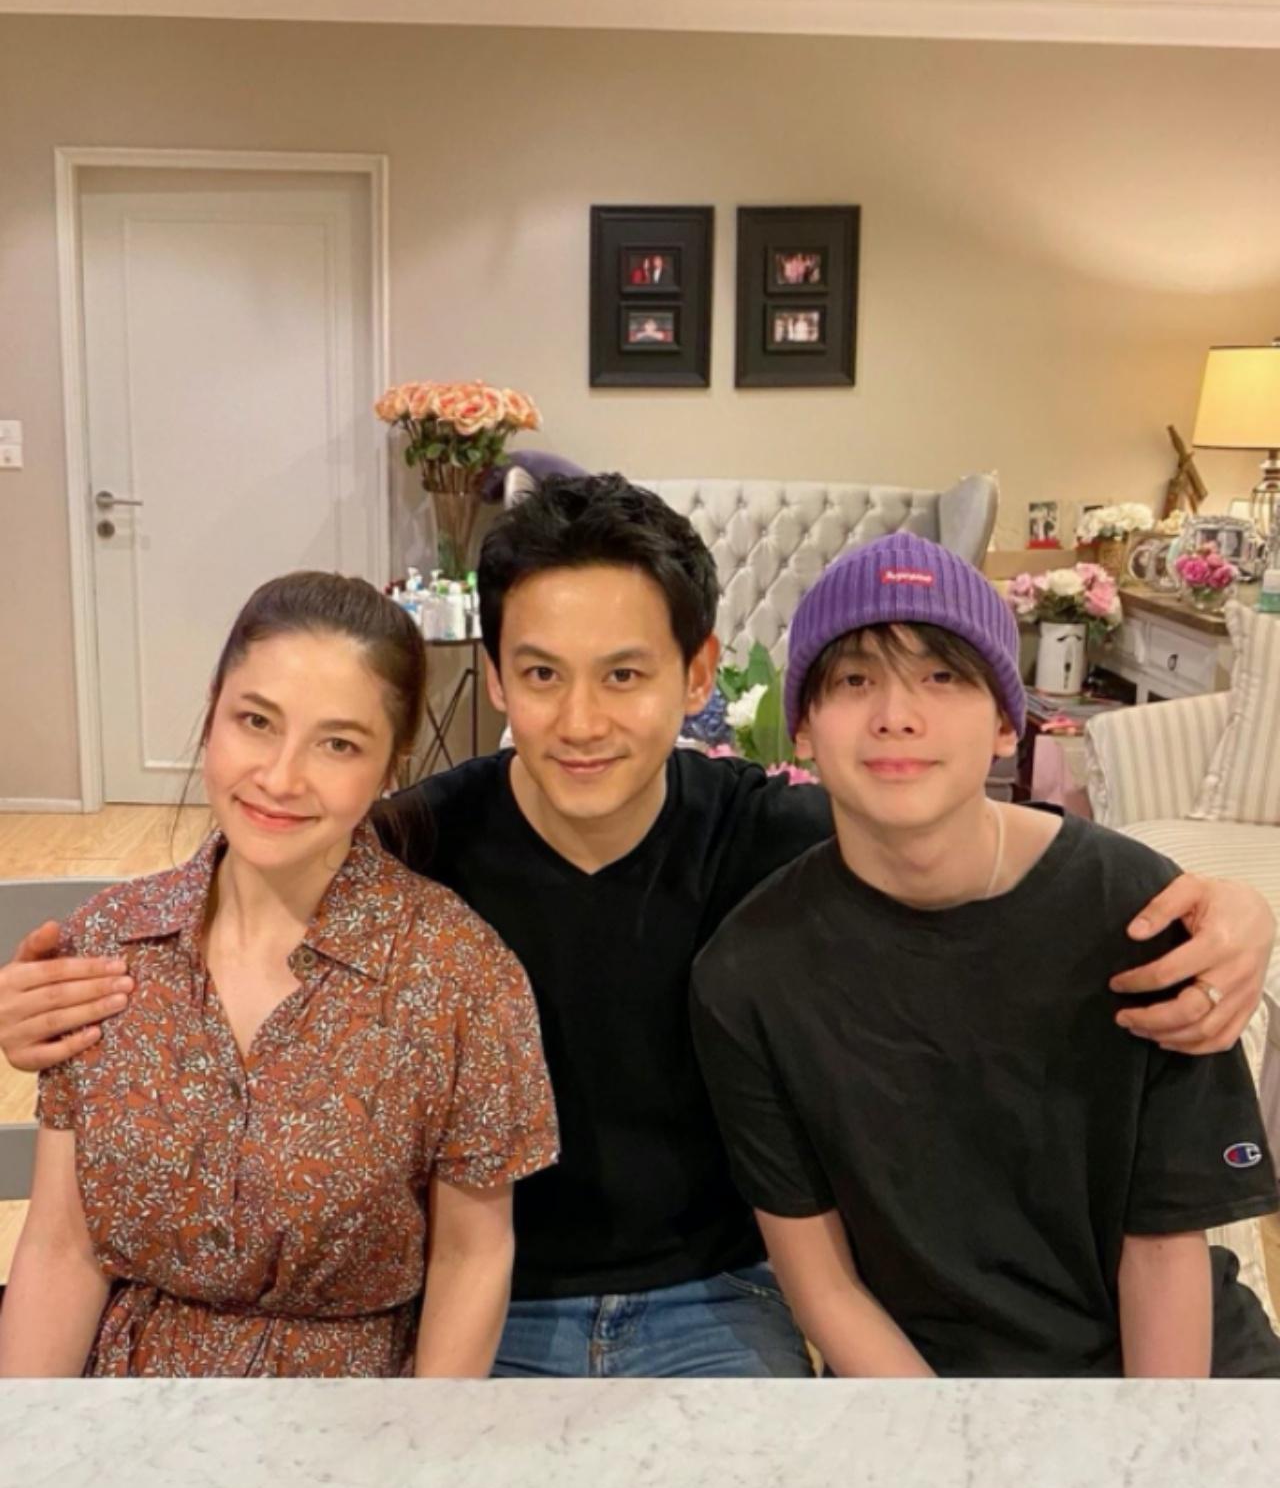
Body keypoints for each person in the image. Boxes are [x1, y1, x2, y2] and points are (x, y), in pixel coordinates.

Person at [1, 479, 1273, 1378]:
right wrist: (73, 985)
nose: (580, 720)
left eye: (624, 673)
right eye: (540, 674)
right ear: (494, 675)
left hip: (717, 1296)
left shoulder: (780, 839)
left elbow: (968, 846)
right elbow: (265, 842)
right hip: (482, 1300)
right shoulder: (421, 844)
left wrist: (1233, 902)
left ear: (698, 671)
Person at [690, 532, 1280, 1377]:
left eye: (942, 676)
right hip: (930, 1384)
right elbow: (825, 1287)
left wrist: (1153, 1448)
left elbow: (1162, 1245)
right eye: (854, 681)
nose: (897, 714)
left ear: (1007, 722)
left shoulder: (1134, 910)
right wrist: (960, 1440)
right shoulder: (750, 975)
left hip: (1178, 1365)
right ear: (804, 728)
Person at [0, 573, 556, 1377]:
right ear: (212, 714)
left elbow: (470, 1260)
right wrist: (31, 1439)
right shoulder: (107, 945)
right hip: (126, 1400)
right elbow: (61, 1246)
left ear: (390, 766)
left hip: (347, 1413)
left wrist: (424, 1444)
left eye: (338, 744)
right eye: (256, 722)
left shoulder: (458, 974)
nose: (281, 777)